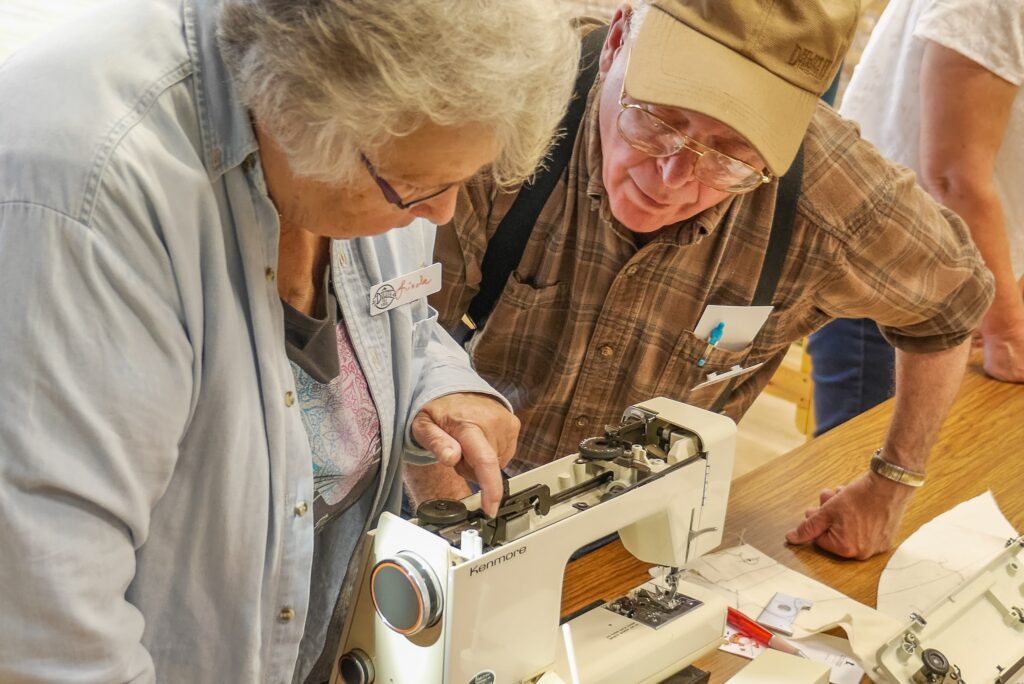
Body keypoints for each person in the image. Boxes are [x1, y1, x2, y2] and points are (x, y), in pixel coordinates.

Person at [0, 0, 578, 681]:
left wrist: (439, 384)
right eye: (418, 187)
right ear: (297, 115)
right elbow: (47, 621)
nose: (441, 214)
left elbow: (401, 317)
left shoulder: (380, 151)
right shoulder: (84, 192)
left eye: (460, 183)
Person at [409, 0, 997, 561]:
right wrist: (455, 534)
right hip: (446, 494)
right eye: (658, 120)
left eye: (729, 156)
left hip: (648, 531)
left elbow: (953, 306)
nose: (670, 177)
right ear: (615, 43)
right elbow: (390, 339)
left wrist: (893, 480)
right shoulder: (495, 116)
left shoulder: (828, 194)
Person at [809, 0, 1024, 434]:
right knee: (864, 472)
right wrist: (1007, 330)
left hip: (968, 280)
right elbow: (953, 176)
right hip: (894, 281)